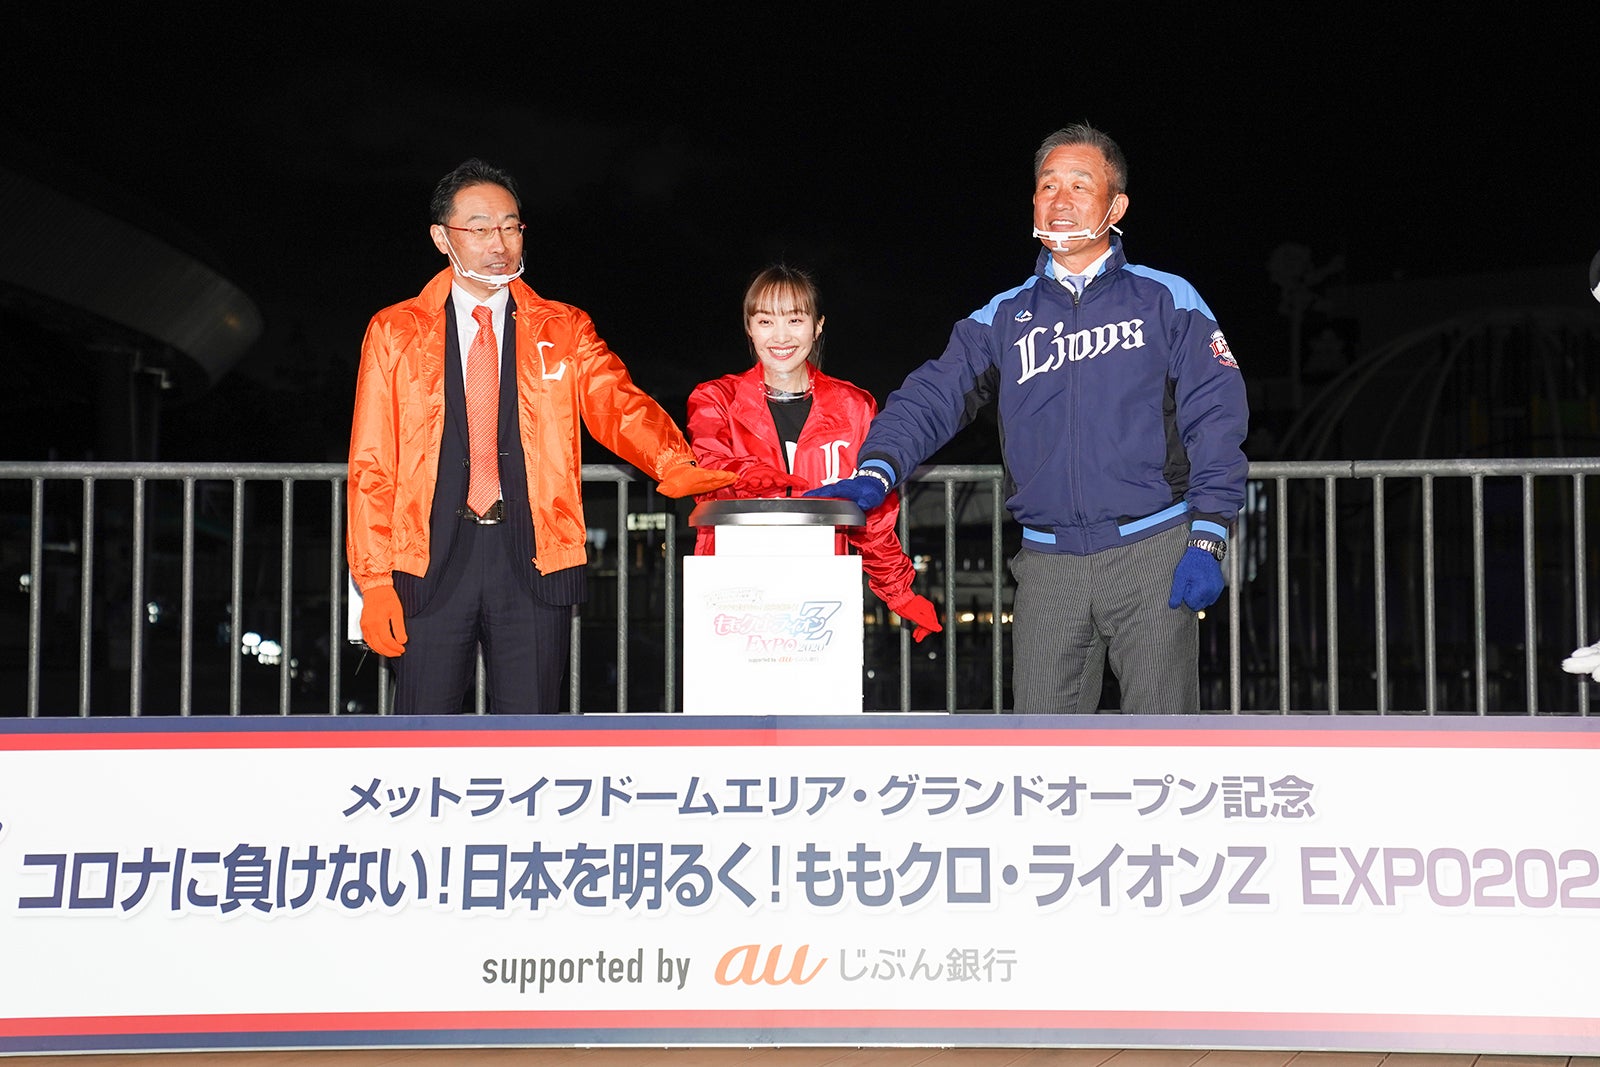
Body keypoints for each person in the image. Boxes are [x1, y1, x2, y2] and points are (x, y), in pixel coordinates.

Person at [809, 123, 1248, 713]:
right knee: (1040, 753)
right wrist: (877, 466)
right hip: (1047, 564)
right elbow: (932, 394)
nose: (1060, 200)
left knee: (1163, 747)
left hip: (1151, 550)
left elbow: (1216, 416)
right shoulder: (1004, 316)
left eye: (1079, 185)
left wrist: (1210, 534)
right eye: (1047, 186)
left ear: (1115, 206)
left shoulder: (1168, 299)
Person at [347, 158, 734, 714]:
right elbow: (371, 460)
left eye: (510, 225)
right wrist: (374, 579)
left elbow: (614, 401)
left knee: (531, 735)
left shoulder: (563, 327)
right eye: (479, 228)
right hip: (424, 560)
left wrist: (671, 460)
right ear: (441, 237)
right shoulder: (395, 330)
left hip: (532, 557)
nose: (498, 242)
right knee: (421, 737)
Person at [686, 265, 941, 642]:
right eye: (766, 321)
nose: (781, 336)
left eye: (795, 319)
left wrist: (899, 591)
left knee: (819, 701)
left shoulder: (854, 406)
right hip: (734, 586)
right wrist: (744, 476)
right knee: (738, 701)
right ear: (749, 327)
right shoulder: (716, 399)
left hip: (821, 590)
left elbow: (873, 514)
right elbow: (707, 468)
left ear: (818, 326)